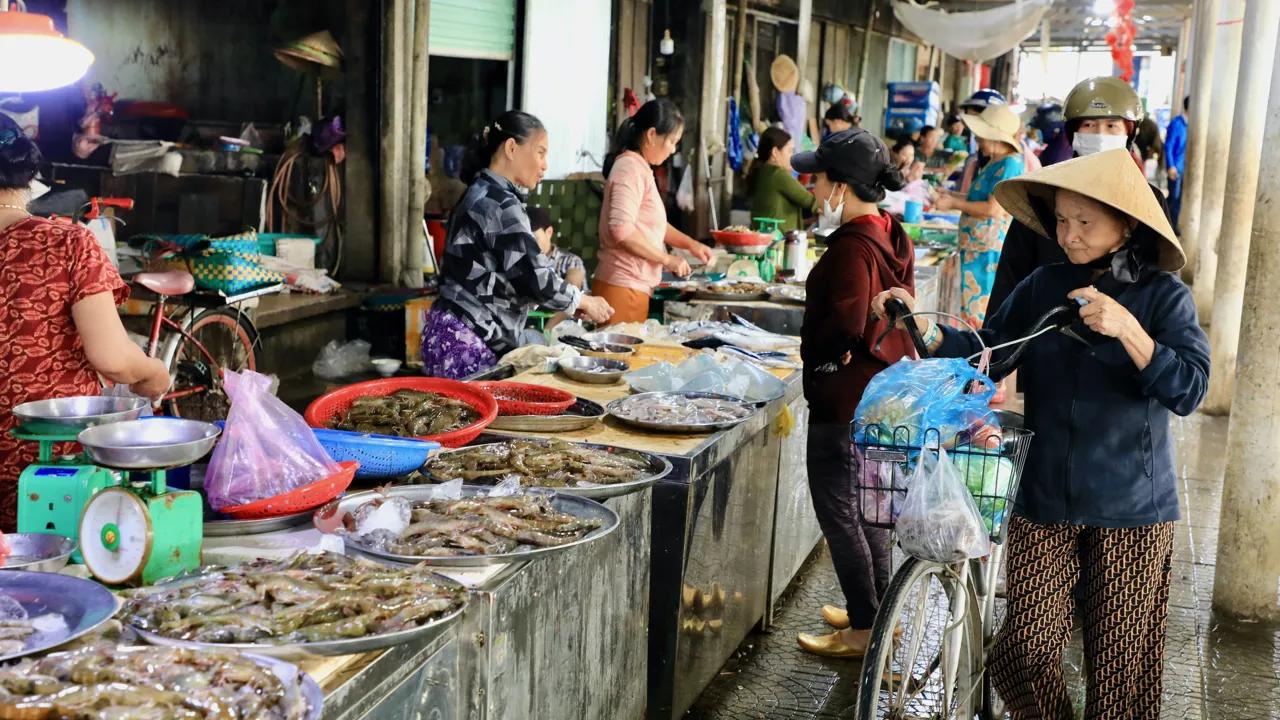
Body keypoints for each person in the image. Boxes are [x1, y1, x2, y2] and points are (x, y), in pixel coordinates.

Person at [872, 148, 1208, 719]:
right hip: (1044, 495)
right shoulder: (1043, 283)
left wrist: (1130, 331)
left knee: (1120, 674)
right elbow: (991, 351)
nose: (1069, 235)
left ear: (1126, 225)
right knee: (1023, 649)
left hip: (1132, 506)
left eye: (1085, 222)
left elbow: (1189, 390)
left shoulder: (1163, 295)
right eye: (1062, 220)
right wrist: (923, 325)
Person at [0, 115, 171, 531]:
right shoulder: (65, 243)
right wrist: (155, 373)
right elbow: (113, 360)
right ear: (29, 175)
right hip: (48, 473)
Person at [789, 128, 912, 658]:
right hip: (883, 396)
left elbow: (842, 327)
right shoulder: (891, 234)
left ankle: (864, 628)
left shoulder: (850, 250)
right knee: (872, 513)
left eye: (818, 180)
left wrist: (820, 364)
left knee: (841, 514)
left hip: (845, 404)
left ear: (841, 186)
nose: (814, 190)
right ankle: (880, 615)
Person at [425, 111, 614, 379]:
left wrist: (571, 304)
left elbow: (511, 278)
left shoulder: (480, 191)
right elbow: (534, 277)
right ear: (512, 148)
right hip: (468, 340)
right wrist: (580, 299)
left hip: (449, 332)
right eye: (540, 152)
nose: (545, 165)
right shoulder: (499, 203)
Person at [989, 76, 1172, 320]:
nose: (1100, 135)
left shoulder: (1149, 199)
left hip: (1121, 329)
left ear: (1129, 133)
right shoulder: (1043, 193)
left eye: (1112, 126)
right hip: (1043, 327)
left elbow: (1162, 275)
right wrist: (992, 336)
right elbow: (1010, 275)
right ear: (1072, 132)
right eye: (1089, 125)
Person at [594, 99, 715, 325]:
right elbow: (622, 230)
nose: (673, 150)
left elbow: (653, 225)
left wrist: (691, 245)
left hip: (631, 285)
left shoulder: (640, 168)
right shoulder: (629, 169)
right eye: (672, 141)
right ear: (651, 135)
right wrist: (667, 260)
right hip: (623, 285)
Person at [932, 103, 1024, 327]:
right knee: (970, 308)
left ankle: (979, 350)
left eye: (981, 135)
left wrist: (953, 203)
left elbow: (993, 209)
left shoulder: (1010, 164)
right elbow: (978, 198)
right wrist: (951, 194)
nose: (978, 140)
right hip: (975, 248)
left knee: (979, 312)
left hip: (986, 251)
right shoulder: (995, 160)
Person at [748, 127, 817, 232]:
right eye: (790, 151)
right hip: (777, 238)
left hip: (763, 234)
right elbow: (809, 201)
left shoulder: (761, 170)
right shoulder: (778, 174)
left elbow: (775, 213)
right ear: (775, 152)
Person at [527, 206, 585, 290]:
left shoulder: (570, 262)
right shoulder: (517, 261)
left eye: (533, 239)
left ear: (549, 232)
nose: (527, 244)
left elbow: (571, 291)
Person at [1165, 97, 1189, 232]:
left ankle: (1173, 226)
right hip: (1176, 167)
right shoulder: (1177, 123)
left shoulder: (1190, 125)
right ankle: (1167, 226)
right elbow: (1169, 145)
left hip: (1185, 168)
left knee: (1178, 199)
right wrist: (1171, 166)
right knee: (1173, 198)